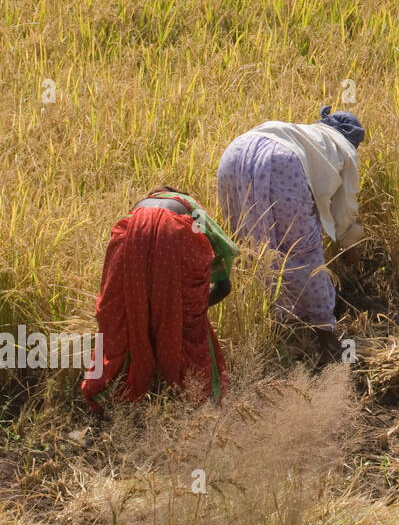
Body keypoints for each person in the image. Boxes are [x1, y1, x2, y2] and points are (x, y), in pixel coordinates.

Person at [217, 107, 365, 360]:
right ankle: (328, 341)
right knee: (303, 253)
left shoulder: (304, 134)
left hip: (234, 154)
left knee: (250, 246)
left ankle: (271, 332)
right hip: (281, 163)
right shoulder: (345, 150)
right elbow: (345, 209)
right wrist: (349, 246)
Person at [81, 187, 237, 410]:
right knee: (189, 330)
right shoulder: (192, 209)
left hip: (130, 236)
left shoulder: (138, 208)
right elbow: (223, 286)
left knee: (122, 323)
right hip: (176, 235)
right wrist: (183, 315)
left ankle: (111, 402)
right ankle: (201, 404)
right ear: (180, 195)